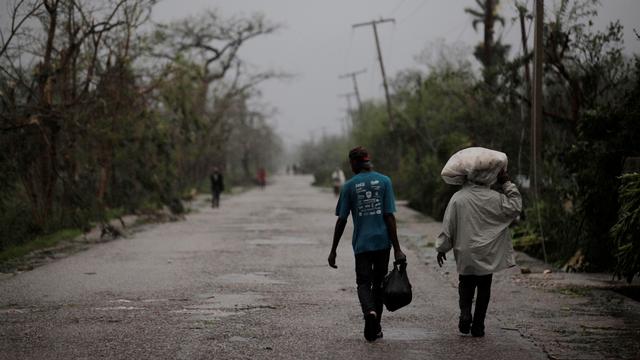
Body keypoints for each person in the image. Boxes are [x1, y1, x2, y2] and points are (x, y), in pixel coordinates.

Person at [328, 146, 406, 342]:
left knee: (363, 283)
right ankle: (375, 327)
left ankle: (369, 313)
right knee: (379, 284)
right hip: (382, 244)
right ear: (368, 161)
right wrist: (397, 248)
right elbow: (389, 216)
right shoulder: (385, 181)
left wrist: (333, 250)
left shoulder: (349, 186)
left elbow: (342, 220)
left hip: (362, 245)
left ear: (355, 163)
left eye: (350, 164)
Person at [436, 168, 522, 337]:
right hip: (488, 251)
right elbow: (516, 206)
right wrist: (506, 183)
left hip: (465, 251)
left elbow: (448, 227)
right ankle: (478, 325)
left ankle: (465, 312)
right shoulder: (496, 198)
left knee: (465, 283)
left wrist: (442, 248)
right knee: (484, 287)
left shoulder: (458, 199)